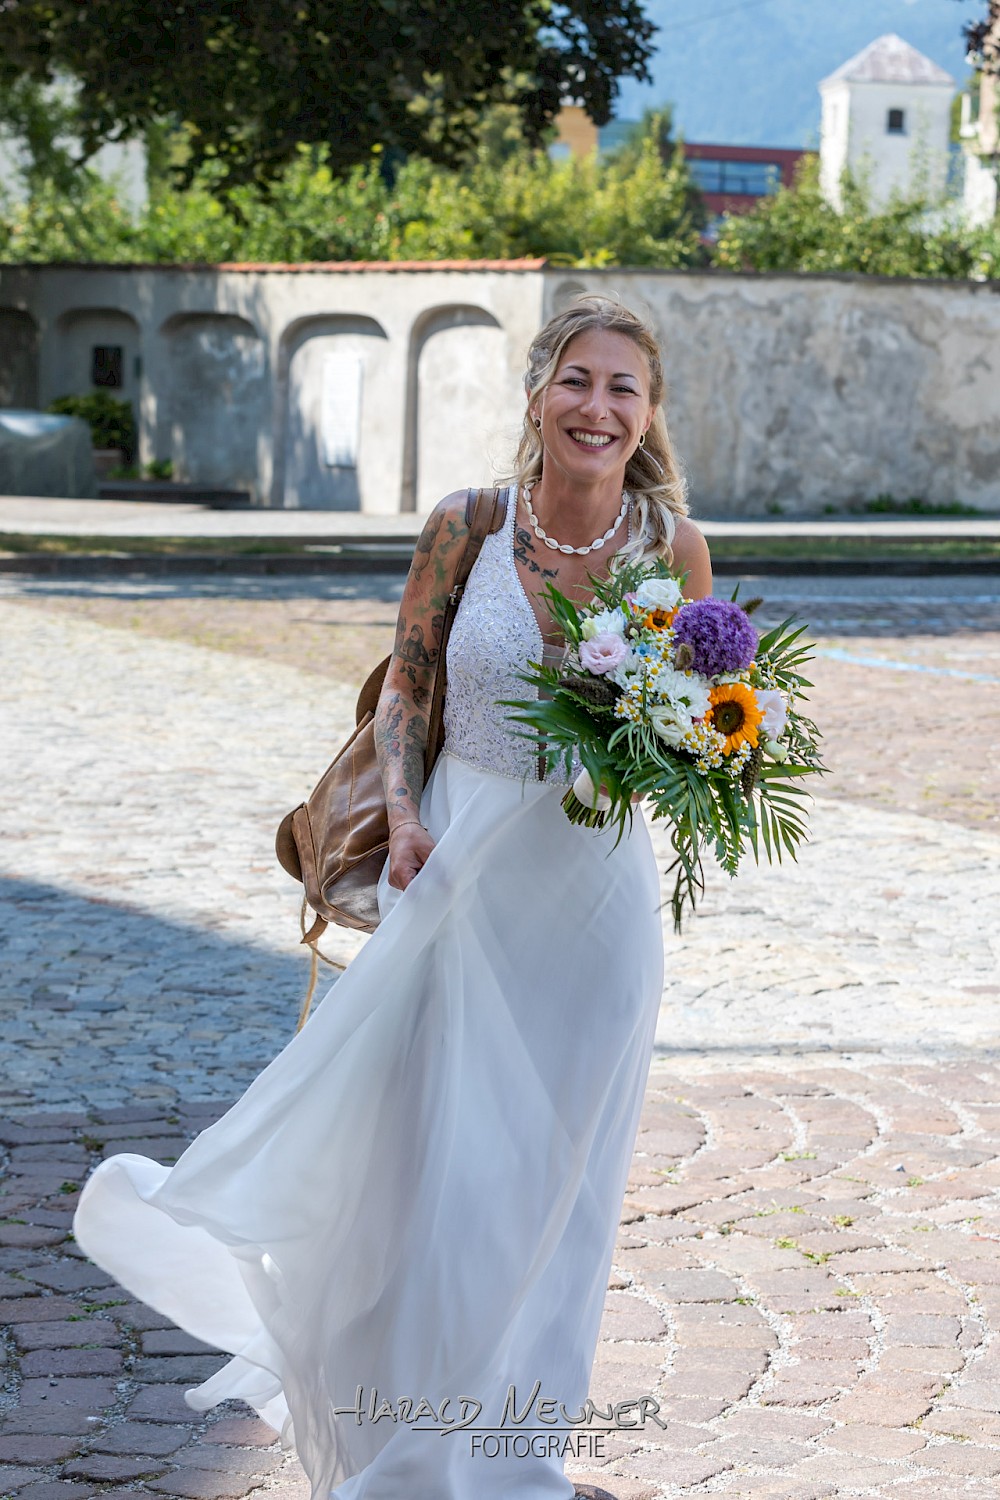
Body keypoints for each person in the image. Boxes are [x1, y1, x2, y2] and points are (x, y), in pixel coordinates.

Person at [72, 295, 713, 1500]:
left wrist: (705, 751)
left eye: (624, 388)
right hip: (458, 875)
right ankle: (409, 1450)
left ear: (648, 413)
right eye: (578, 379)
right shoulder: (465, 525)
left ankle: (515, 1456)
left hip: (593, 904)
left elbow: (692, 719)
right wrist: (409, 817)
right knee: (438, 1178)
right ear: (537, 396)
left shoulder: (671, 546)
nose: (598, 406)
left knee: (560, 1197)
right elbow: (404, 695)